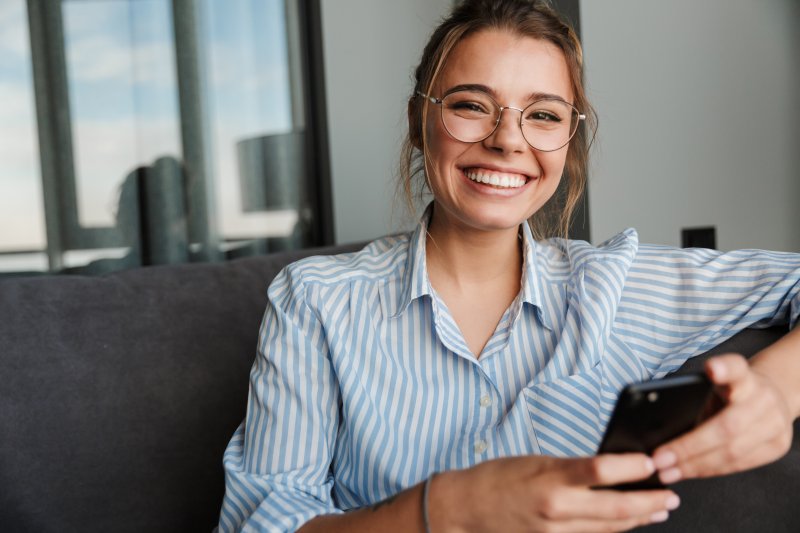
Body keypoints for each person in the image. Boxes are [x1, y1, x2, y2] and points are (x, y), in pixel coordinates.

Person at [217, 1, 800, 531]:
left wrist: (773, 391)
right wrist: (444, 510)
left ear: (569, 141)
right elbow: (259, 524)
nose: (507, 140)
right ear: (420, 123)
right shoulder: (315, 300)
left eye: (543, 116)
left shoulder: (612, 286)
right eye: (472, 106)